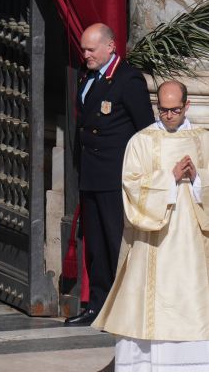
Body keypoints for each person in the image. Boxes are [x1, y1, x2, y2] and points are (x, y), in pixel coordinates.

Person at [93, 80, 209, 370]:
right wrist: (168, 178)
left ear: (187, 106)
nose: (168, 115)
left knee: (193, 309)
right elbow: (130, 187)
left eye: (175, 110)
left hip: (192, 246)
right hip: (152, 245)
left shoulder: (203, 139)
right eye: (163, 109)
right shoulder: (141, 141)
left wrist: (197, 179)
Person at [65, 23, 154, 326]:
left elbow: (146, 130)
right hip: (91, 174)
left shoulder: (128, 80)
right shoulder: (87, 73)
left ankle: (126, 310)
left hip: (116, 177)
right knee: (97, 246)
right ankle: (98, 307)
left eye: (91, 49)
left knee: (117, 243)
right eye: (83, 48)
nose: (85, 54)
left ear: (110, 47)